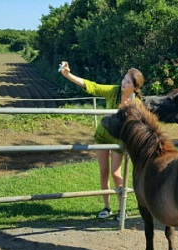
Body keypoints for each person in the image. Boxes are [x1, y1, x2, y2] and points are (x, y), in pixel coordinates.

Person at [59, 61, 145, 220]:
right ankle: (107, 207)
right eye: (124, 79)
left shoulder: (137, 104)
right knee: (104, 171)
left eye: (128, 82)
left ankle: (122, 208)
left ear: (135, 87)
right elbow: (93, 86)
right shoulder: (113, 91)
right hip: (103, 137)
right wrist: (68, 75)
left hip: (119, 140)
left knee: (115, 172)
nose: (123, 83)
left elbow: (141, 125)